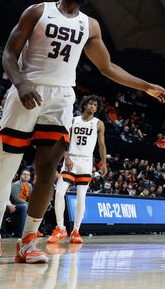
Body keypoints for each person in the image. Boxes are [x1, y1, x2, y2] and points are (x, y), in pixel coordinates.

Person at [0, 0, 165, 264]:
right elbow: (9, 54)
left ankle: (28, 242)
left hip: (61, 97)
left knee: (48, 171)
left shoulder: (90, 25)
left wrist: (145, 85)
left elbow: (107, 67)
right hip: (28, 89)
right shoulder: (38, 11)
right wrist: (22, 84)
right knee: (7, 167)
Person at [48, 94, 107, 244]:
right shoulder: (74, 120)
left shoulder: (98, 123)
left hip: (86, 161)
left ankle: (76, 231)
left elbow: (101, 145)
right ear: (85, 105)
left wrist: (104, 163)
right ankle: (60, 228)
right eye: (90, 104)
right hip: (71, 159)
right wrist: (66, 158)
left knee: (81, 197)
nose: (93, 106)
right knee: (60, 192)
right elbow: (64, 140)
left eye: (95, 105)